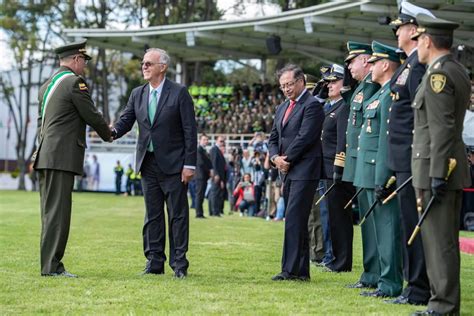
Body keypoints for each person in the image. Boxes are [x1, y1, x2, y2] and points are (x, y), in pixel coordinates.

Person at [112, 48, 197, 279]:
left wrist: (190, 164)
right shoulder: (137, 93)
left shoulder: (179, 93)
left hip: (175, 166)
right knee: (152, 216)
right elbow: (125, 122)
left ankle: (180, 263)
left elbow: (190, 131)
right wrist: (109, 131)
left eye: (149, 63)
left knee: (177, 216)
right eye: (143, 63)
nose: (144, 67)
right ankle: (154, 261)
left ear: (163, 67)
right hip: (148, 164)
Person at [33, 40, 112, 277]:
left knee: (50, 213)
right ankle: (52, 267)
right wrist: (110, 134)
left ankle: (49, 265)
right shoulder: (74, 83)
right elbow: (91, 115)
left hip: (46, 155)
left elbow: (41, 124)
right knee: (58, 214)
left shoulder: (47, 86)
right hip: (60, 157)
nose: (85, 67)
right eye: (84, 61)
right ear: (76, 60)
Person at [410, 15, 471, 316]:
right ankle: (440, 303)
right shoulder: (454, 70)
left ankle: (443, 306)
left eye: (418, 40)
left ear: (428, 41)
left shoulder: (439, 76)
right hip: (440, 166)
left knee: (439, 243)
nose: (416, 46)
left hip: (437, 169)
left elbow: (442, 128)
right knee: (439, 241)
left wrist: (436, 174)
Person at [385, 2, 434, 306]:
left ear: (413, 31)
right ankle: (411, 285)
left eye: (400, 27)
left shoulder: (417, 66)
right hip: (402, 159)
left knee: (414, 226)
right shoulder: (408, 64)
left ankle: (418, 289)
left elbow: (420, 115)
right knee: (407, 225)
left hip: (411, 158)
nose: (396, 31)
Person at [355, 41, 403, 298]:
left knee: (387, 230)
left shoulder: (390, 94)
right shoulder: (379, 94)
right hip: (369, 170)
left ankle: (390, 283)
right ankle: (380, 278)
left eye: (374, 63)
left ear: (385, 65)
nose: (370, 67)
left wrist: (384, 175)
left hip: (380, 172)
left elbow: (386, 139)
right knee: (377, 229)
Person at [269, 64, 325, 281]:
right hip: (287, 169)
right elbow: (273, 137)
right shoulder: (282, 108)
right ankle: (300, 271)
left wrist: (287, 159)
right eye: (283, 86)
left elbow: (306, 137)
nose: (286, 89)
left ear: (301, 81)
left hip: (304, 169)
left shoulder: (311, 105)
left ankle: (290, 270)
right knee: (296, 220)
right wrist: (275, 158)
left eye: (289, 84)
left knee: (294, 218)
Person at [342, 41, 381, 290]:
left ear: (366, 60)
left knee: (376, 222)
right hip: (360, 162)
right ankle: (370, 273)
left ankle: (378, 274)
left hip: (370, 162)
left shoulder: (372, 88)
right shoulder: (360, 88)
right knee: (367, 221)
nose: (348, 65)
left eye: (352, 61)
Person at [321, 64, 355, 273]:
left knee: (339, 218)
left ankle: (342, 262)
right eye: (328, 82)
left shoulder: (344, 106)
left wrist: (338, 168)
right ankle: (335, 259)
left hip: (336, 169)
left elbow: (342, 140)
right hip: (326, 168)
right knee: (332, 217)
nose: (329, 85)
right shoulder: (332, 106)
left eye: (334, 81)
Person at [195, 134, 212, 218]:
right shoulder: (199, 150)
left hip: (203, 176)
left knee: (201, 195)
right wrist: (209, 170)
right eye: (204, 139)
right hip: (200, 176)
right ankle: (198, 213)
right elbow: (201, 163)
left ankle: (200, 212)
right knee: (199, 194)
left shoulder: (204, 150)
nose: (206, 141)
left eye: (207, 140)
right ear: (200, 140)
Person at [209, 136, 227, 216]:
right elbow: (214, 163)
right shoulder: (214, 149)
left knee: (216, 193)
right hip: (217, 175)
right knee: (214, 193)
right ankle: (214, 212)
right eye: (221, 141)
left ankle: (215, 211)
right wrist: (216, 174)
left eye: (223, 141)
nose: (222, 143)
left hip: (220, 176)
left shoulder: (218, 150)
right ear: (216, 140)